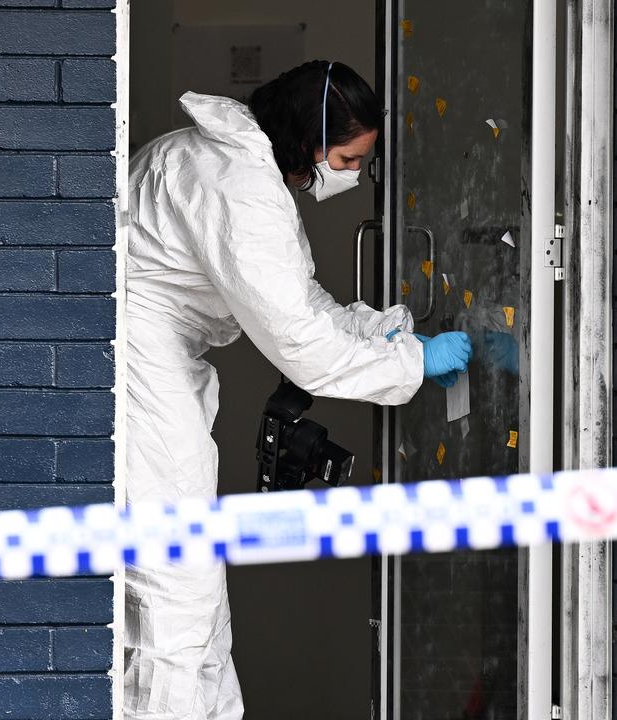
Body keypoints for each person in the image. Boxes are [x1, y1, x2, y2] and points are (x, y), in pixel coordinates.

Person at [122, 61, 473, 720]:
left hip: (159, 361)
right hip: (142, 365)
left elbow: (301, 303)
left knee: (193, 585)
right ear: (308, 141)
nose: (351, 173)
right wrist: (407, 365)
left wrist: (394, 340)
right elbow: (302, 345)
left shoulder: (238, 168)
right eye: (348, 158)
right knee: (175, 589)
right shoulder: (236, 187)